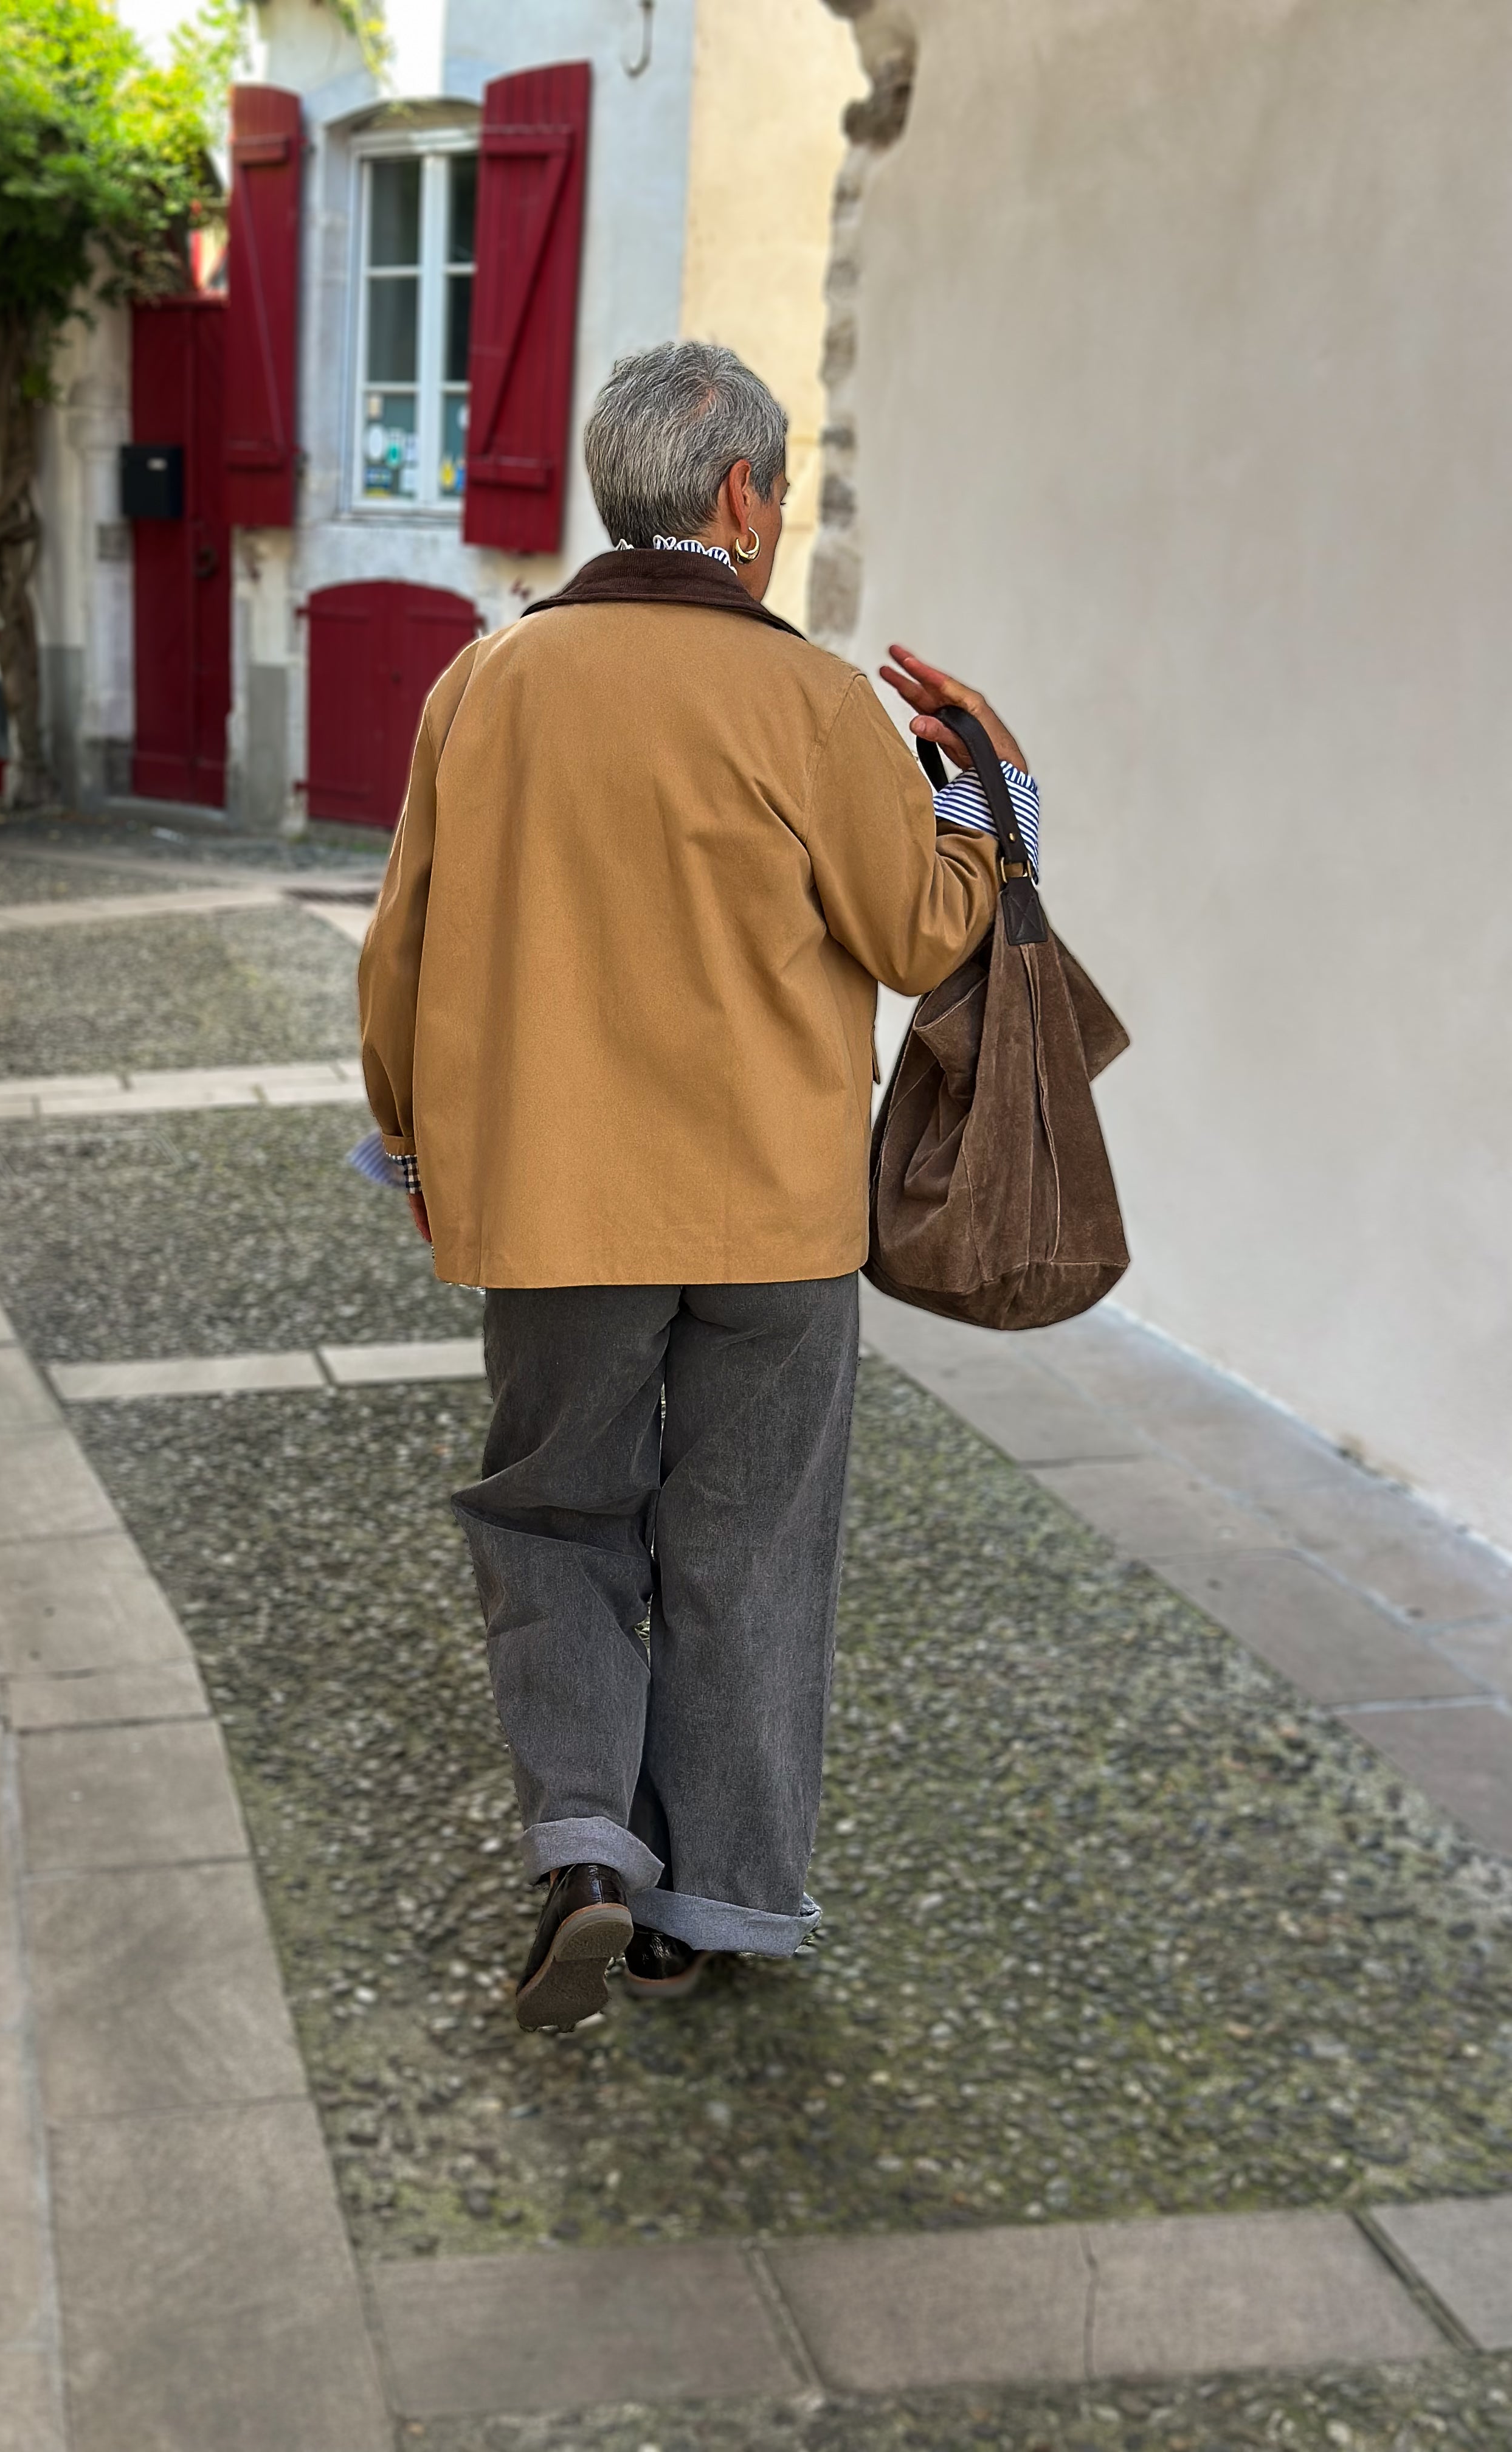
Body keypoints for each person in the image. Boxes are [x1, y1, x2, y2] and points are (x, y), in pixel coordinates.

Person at [357, 341, 1038, 2031]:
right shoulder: (809, 698)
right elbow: (927, 930)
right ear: (739, 499)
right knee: (750, 1548)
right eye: (783, 483)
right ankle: (717, 1908)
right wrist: (989, 783)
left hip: (556, 1206)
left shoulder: (487, 685)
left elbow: (403, 954)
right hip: (775, 1218)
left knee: (553, 1514)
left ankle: (587, 1847)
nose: (784, 509)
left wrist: (417, 1143)